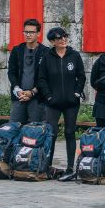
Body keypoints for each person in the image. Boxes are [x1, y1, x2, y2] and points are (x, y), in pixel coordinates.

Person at [36, 27, 86, 174]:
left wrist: (77, 92)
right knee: (51, 133)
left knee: (70, 132)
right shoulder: (47, 57)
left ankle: (70, 167)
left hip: (71, 102)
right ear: (53, 42)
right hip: (53, 103)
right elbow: (41, 79)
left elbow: (81, 76)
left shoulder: (74, 55)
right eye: (59, 38)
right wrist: (48, 96)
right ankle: (48, 166)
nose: (63, 39)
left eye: (65, 36)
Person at [7, 18, 46, 124]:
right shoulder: (17, 50)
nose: (28, 35)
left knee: (35, 129)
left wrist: (32, 92)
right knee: (14, 127)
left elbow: (46, 76)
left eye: (31, 32)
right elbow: (11, 72)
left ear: (38, 33)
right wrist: (17, 90)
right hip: (19, 96)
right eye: (26, 32)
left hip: (37, 98)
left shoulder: (45, 52)